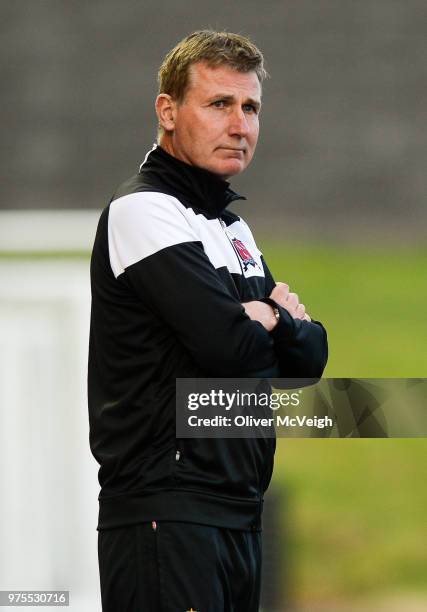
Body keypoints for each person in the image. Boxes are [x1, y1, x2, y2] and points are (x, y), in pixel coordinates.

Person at [88, 30, 328, 612]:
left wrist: (265, 319)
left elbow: (309, 358)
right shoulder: (143, 211)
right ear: (168, 112)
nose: (239, 124)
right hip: (166, 512)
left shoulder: (231, 228)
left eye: (250, 108)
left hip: (236, 512)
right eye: (219, 104)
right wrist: (271, 322)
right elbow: (230, 348)